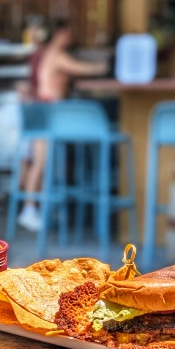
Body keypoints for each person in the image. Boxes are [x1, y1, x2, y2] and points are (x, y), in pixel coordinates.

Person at [17, 21, 109, 232]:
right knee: (40, 162)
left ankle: (45, 207)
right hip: (49, 111)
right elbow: (83, 68)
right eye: (69, 32)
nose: (71, 36)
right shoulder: (56, 54)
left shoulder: (50, 53)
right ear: (60, 33)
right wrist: (106, 66)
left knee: (44, 162)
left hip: (48, 111)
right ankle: (29, 210)